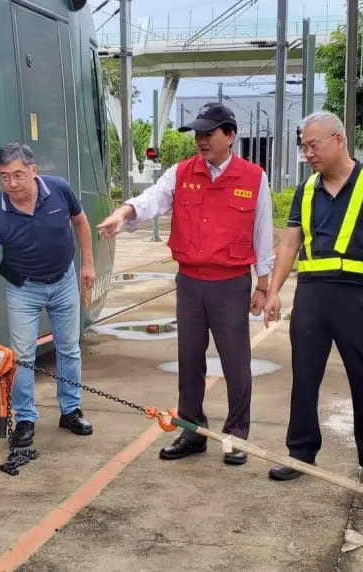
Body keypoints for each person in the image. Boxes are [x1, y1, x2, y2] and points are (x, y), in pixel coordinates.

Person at [98, 102, 273, 466]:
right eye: (198, 134)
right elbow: (151, 200)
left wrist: (263, 285)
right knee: (189, 360)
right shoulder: (181, 173)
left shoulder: (253, 177)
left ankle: (236, 435)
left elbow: (263, 233)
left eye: (208, 134)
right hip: (191, 281)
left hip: (230, 283)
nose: (201, 141)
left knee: (235, 361)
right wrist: (124, 213)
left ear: (230, 136)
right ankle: (191, 430)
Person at [262, 111, 363, 491]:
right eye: (304, 146)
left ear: (338, 140)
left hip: (358, 295)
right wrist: (274, 290)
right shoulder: (307, 190)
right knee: (305, 377)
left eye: (314, 145)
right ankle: (301, 452)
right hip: (312, 294)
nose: (307, 153)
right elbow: (290, 241)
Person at [0, 143, 95, 447]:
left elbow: (81, 223)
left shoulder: (58, 190)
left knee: (68, 348)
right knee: (23, 355)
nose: (12, 184)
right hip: (23, 288)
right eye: (4, 177)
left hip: (63, 279)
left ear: (33, 170)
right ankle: (25, 418)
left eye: (18, 175)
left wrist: (88, 265)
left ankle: (70, 410)